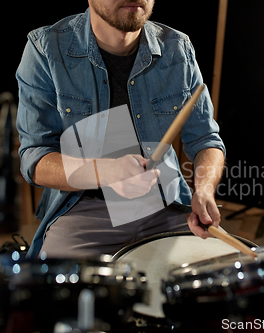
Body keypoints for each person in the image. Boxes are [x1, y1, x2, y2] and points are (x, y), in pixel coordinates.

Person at [16, 0, 225, 258]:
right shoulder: (46, 48)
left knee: (220, 279)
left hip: (164, 204)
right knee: (58, 291)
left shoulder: (177, 48)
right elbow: (35, 159)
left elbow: (206, 139)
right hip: (84, 211)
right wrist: (106, 172)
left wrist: (204, 190)